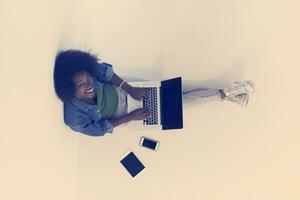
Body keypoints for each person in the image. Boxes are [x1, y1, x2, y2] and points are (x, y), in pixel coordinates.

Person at [53, 49, 255, 137]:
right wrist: (130, 117)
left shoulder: (86, 72)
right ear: (70, 89)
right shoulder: (74, 116)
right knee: (181, 104)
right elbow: (99, 129)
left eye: (88, 78)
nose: (88, 84)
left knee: (181, 88)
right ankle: (229, 94)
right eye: (81, 85)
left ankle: (229, 95)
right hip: (129, 114)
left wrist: (131, 89)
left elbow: (105, 71)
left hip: (131, 90)